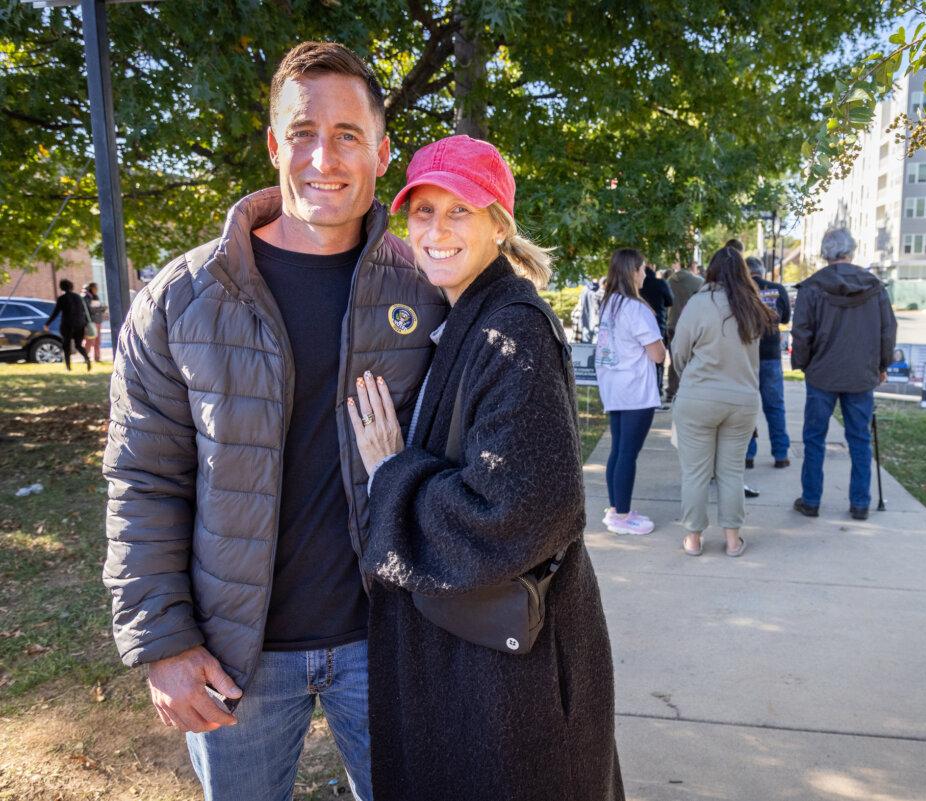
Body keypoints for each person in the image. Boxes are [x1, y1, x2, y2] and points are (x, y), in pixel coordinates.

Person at [102, 42, 447, 801]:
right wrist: (165, 642)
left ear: (383, 153)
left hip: (386, 645)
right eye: (302, 132)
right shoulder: (183, 299)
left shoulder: (427, 290)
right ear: (272, 145)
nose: (323, 156)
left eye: (348, 134)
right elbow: (143, 478)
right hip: (233, 660)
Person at [347, 133, 623, 801]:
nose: (437, 230)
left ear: (500, 223)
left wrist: (393, 475)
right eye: (422, 212)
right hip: (492, 665)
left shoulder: (510, 331)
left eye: (459, 211)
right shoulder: (472, 316)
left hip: (514, 679)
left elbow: (521, 506)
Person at [790, 227, 896, 521]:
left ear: (825, 253)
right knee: (859, 439)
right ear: (851, 251)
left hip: (822, 374)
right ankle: (860, 502)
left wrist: (804, 363)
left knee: (814, 438)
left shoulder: (812, 287)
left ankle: (811, 500)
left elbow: (801, 332)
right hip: (861, 374)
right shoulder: (874, 287)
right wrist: (882, 365)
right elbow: (888, 330)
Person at [672, 246, 772, 557]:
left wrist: (686, 377)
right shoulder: (751, 306)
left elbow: (679, 351)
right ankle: (732, 540)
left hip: (698, 397)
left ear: (712, 271)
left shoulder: (699, 303)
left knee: (696, 473)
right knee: (732, 473)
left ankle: (693, 539)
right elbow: (754, 361)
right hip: (741, 399)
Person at [595, 248, 666, 536]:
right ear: (632, 272)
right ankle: (622, 515)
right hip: (636, 390)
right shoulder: (636, 309)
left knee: (619, 450)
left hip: (615, 388)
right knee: (628, 453)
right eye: (642, 269)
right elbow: (658, 354)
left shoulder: (609, 303)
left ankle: (616, 508)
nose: (645, 274)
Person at [744, 256, 792, 469]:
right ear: (762, 271)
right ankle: (780, 454)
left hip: (747, 356)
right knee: (775, 407)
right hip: (771, 355)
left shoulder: (741, 290)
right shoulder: (777, 288)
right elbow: (785, 319)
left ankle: (748, 455)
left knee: (747, 408)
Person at [665, 261, 703, 402]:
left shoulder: (669, 281)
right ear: (692, 266)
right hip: (692, 326)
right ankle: (688, 390)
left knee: (674, 359)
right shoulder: (699, 282)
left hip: (672, 324)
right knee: (692, 359)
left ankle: (671, 390)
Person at [639, 264, 673, 399]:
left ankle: (645, 390)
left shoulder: (635, 288)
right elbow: (670, 301)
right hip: (658, 324)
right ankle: (657, 389)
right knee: (659, 360)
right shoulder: (660, 283)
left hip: (640, 327)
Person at [44, 279, 91, 371]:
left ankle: (68, 366)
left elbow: (55, 312)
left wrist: (47, 323)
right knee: (78, 345)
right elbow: (84, 311)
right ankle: (87, 359)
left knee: (66, 346)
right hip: (79, 324)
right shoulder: (78, 297)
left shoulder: (62, 299)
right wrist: (85, 324)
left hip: (67, 325)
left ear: (61, 287)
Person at [83, 282, 107, 362]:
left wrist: (101, 309)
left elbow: (97, 308)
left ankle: (97, 358)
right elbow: (91, 310)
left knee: (97, 341)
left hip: (98, 321)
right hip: (91, 323)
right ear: (91, 288)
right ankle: (86, 358)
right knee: (89, 341)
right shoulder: (87, 297)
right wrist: (101, 309)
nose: (96, 290)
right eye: (95, 288)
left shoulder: (96, 297)